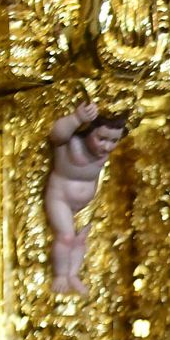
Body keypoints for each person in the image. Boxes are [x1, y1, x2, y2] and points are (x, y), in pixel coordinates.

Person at [45, 102, 126, 295]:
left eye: (113, 141)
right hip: (60, 197)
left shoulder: (104, 150)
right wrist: (77, 118)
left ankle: (73, 274)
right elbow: (56, 134)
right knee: (66, 236)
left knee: (80, 240)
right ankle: (61, 274)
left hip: (87, 203)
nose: (107, 146)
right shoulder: (72, 142)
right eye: (101, 138)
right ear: (87, 132)